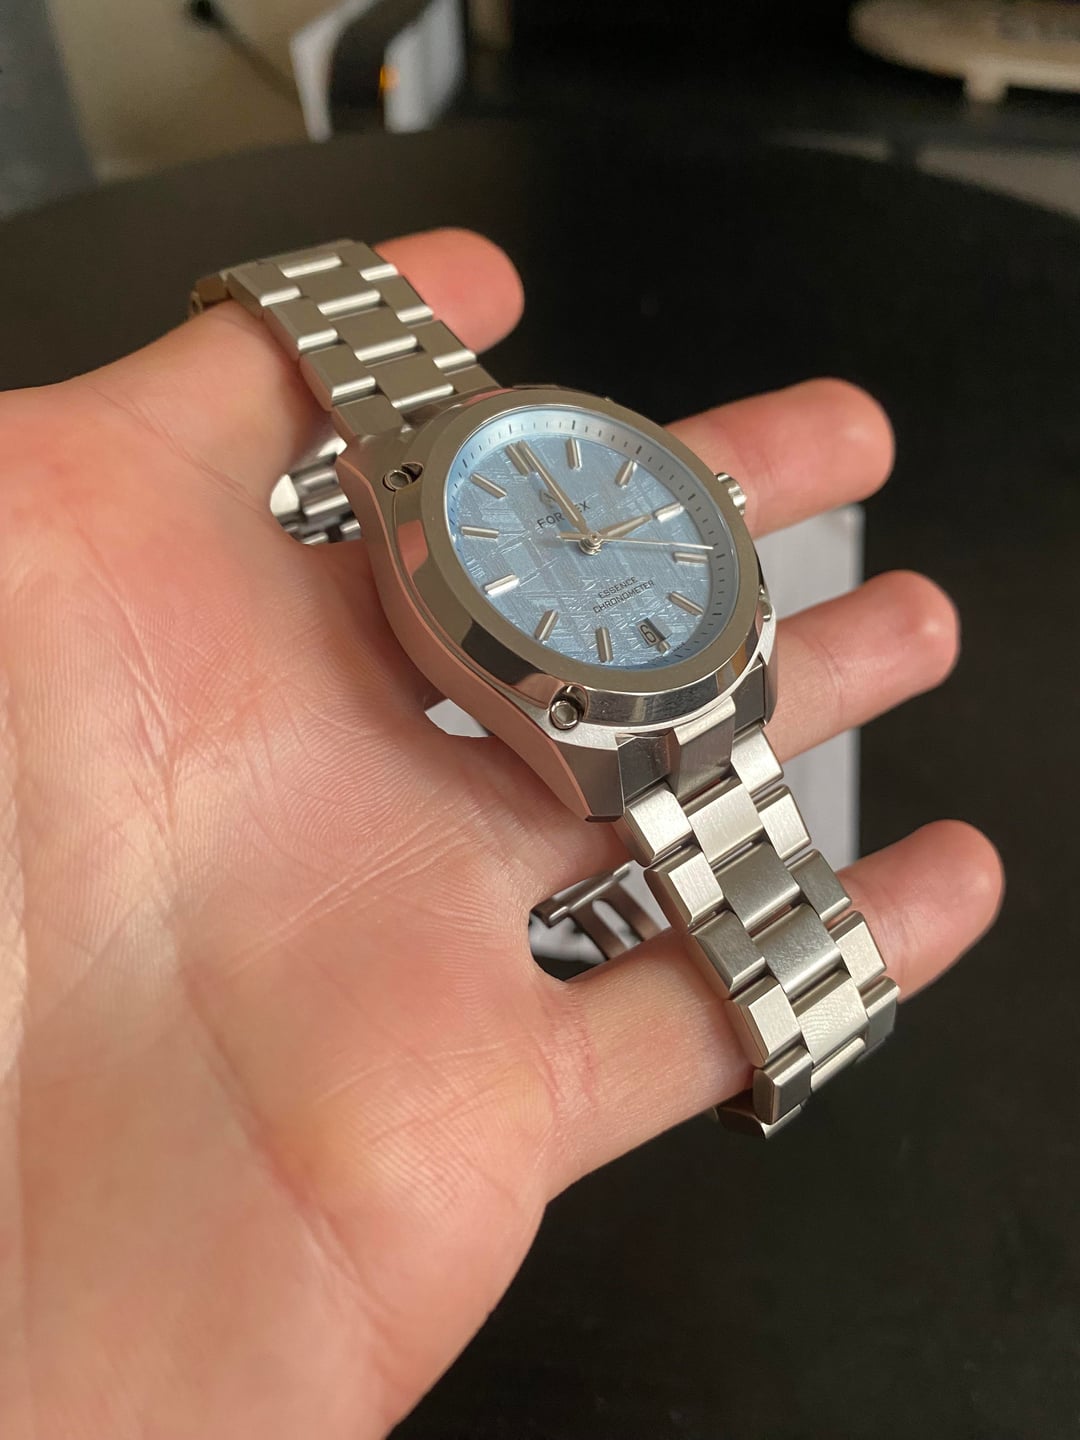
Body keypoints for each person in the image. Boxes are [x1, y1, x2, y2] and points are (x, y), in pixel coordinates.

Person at [0, 228, 1002, 1437]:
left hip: (690, 668)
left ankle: (801, 997)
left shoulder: (655, 537)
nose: (593, 540)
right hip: (589, 676)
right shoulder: (415, 529)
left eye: (627, 518)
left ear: (715, 510)